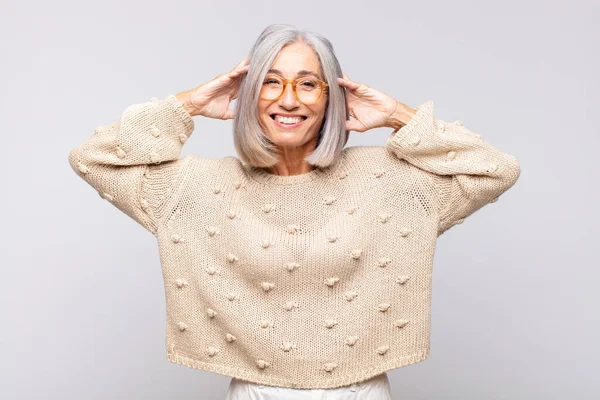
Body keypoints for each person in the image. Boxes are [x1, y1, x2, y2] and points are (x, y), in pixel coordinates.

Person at [68, 24, 520, 399]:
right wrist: (189, 104)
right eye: (270, 81)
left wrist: (400, 116)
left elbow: (497, 170)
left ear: (330, 98)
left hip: (360, 392)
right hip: (256, 392)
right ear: (250, 94)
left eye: (308, 83)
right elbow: (93, 158)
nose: (289, 99)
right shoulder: (194, 187)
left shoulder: (392, 179)